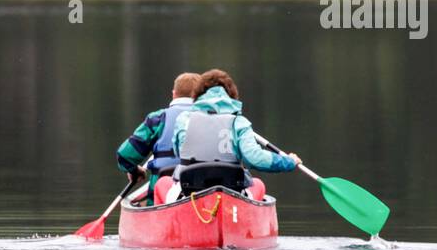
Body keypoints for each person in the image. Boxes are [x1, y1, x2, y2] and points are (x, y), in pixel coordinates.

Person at [161, 69, 300, 203]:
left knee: (162, 183)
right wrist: (288, 162)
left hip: (190, 191)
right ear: (231, 95)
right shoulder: (238, 122)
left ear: (197, 95)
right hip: (232, 191)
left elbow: (179, 152)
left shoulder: (184, 119)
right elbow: (255, 159)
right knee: (258, 184)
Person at [116, 72, 203, 205]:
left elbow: (125, 155)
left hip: (161, 196)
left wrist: (134, 170)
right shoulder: (213, 119)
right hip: (203, 189)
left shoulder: (158, 119)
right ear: (202, 96)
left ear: (173, 94)